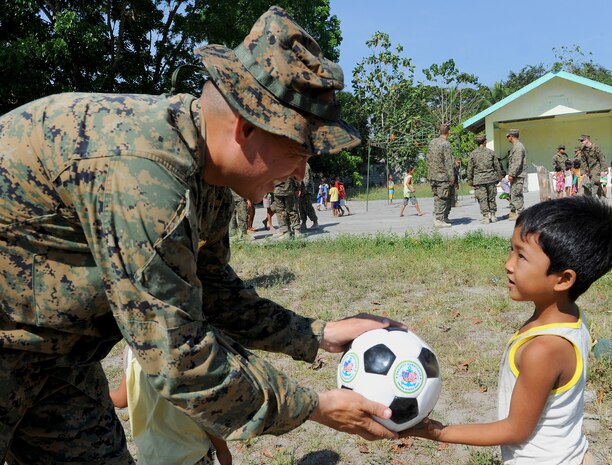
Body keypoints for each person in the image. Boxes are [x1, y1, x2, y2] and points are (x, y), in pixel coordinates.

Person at [0, 7, 402, 464]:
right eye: (296, 151)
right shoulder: (146, 176)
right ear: (247, 126)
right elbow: (179, 359)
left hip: (57, 357)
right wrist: (312, 406)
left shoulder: (206, 177)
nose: (301, 172)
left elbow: (211, 290)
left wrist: (315, 334)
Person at [404, 196, 612, 465]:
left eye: (521, 256)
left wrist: (438, 432)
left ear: (564, 279)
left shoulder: (544, 350)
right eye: (511, 250)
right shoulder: (569, 316)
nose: (508, 264)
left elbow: (515, 429)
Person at [110, 347, 232, 465]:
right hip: (192, 455)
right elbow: (204, 409)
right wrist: (222, 449)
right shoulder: (185, 351)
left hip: (151, 457)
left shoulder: (133, 351)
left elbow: (121, 400)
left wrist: (98, 390)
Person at [467, 135, 502, 224]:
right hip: (490, 178)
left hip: (479, 180)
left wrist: (470, 180)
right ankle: (493, 215)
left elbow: (470, 168)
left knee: (482, 199)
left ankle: (486, 217)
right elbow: (497, 166)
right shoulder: (491, 152)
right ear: (485, 142)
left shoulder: (473, 154)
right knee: (491, 197)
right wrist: (499, 177)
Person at [427, 123, 455, 228]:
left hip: (432, 175)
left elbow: (428, 158)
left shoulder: (432, 142)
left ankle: (440, 217)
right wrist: (451, 176)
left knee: (436, 197)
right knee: (443, 197)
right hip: (442, 176)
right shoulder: (445, 144)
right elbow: (447, 162)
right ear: (449, 132)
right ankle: (439, 219)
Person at [505, 129, 527, 220]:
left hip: (518, 175)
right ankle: (513, 212)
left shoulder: (518, 147)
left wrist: (512, 174)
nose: (507, 138)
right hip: (516, 175)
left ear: (512, 136)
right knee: (513, 194)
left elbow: (517, 163)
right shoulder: (515, 146)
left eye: (508, 136)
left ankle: (521, 214)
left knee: (517, 194)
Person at [297, 162, 319, 230]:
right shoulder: (298, 162)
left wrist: (303, 189)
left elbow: (306, 178)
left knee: (308, 207)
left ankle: (315, 222)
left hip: (306, 190)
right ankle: (303, 222)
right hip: (301, 190)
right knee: (301, 207)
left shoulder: (304, 164)